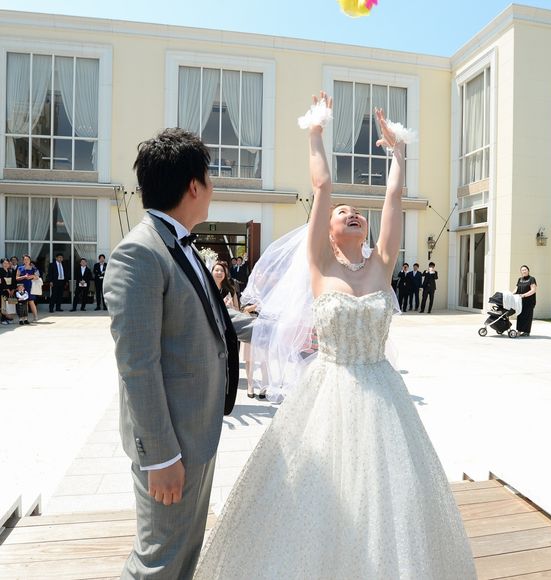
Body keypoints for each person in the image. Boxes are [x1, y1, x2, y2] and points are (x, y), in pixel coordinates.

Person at [193, 93, 476, 578]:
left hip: (384, 393)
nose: (351, 212)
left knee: (386, 494)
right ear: (326, 230)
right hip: (329, 390)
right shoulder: (321, 264)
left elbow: (393, 200)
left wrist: (398, 153)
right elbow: (322, 185)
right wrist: (316, 132)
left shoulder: (382, 264)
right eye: (342, 212)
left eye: (357, 212)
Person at [104, 127, 255, 580]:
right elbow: (137, 365)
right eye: (209, 178)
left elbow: (213, 318)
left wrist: (279, 329)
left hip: (197, 433)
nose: (212, 187)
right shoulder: (140, 253)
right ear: (193, 186)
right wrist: (160, 456)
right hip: (171, 446)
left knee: (185, 552)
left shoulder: (179, 243)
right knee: (158, 562)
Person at [513, 265, 537, 336]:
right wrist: (511, 294)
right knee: (520, 315)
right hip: (520, 301)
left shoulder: (532, 279)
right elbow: (516, 289)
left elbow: (533, 290)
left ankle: (526, 332)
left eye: (525, 270)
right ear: (521, 272)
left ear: (528, 270)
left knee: (527, 316)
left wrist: (524, 295)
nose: (524, 271)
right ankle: (519, 331)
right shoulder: (520, 279)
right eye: (522, 270)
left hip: (529, 301)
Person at [16, 255, 40, 322]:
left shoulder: (34, 268)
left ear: (30, 260)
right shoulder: (20, 268)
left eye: (28, 259)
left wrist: (32, 276)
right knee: (24, 302)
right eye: (25, 259)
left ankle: (35, 317)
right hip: (22, 287)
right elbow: (17, 278)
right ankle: (25, 318)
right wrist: (24, 276)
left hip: (30, 286)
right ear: (23, 261)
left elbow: (37, 277)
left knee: (31, 301)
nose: (26, 261)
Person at [1, 258, 17, 324]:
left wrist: (13, 289)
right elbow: (2, 281)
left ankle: (9, 317)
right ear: (1, 264)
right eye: (4, 263)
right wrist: (7, 289)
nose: (6, 264)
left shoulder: (11, 270)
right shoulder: (0, 271)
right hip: (3, 290)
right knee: (3, 305)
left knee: (11, 304)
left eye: (7, 263)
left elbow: (14, 281)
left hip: (11, 290)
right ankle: (3, 319)